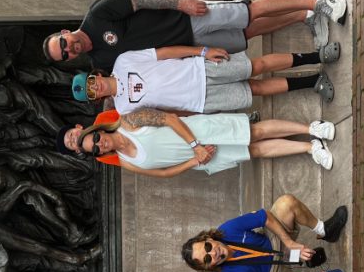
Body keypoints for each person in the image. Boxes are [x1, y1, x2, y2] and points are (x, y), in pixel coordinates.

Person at [43, 0, 348, 70]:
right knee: (247, 33)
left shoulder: (97, 15)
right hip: (191, 46)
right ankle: (303, 15)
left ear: (64, 31)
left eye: (63, 43)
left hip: (187, 19)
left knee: (248, 10)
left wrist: (181, 4)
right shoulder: (101, 63)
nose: (70, 49)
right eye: (65, 55)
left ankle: (320, 1)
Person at [182, 194, 354, 272]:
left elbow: (265, 217)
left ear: (207, 238)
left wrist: (289, 243)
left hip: (273, 242)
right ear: (207, 267)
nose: (212, 252)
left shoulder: (226, 230)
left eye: (207, 246)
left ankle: (325, 230)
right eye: (207, 258)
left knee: (285, 203)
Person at [57, 107, 335, 175]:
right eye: (94, 150)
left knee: (256, 131)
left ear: (98, 130)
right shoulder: (126, 162)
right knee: (256, 150)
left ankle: (311, 128)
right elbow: (163, 173)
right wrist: (194, 160)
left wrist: (195, 145)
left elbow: (169, 119)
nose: (99, 145)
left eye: (95, 139)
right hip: (202, 156)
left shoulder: (130, 120)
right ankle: (308, 147)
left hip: (199, 133)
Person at [70, 44, 339, 114]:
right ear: (96, 98)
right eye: (91, 92)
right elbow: (163, 112)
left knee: (256, 65)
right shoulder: (123, 108)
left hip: (200, 69)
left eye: (92, 82)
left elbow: (163, 53)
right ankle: (313, 82)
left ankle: (317, 55)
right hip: (198, 100)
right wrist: (195, 115)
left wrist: (201, 51)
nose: (96, 87)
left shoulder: (123, 61)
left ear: (96, 75)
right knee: (254, 89)